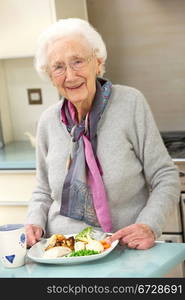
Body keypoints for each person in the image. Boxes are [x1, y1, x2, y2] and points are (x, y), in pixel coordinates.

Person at [25, 18, 180, 250]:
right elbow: (43, 190)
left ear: (98, 62)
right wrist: (34, 222)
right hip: (61, 251)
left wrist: (148, 225)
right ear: (50, 76)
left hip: (122, 246)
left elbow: (165, 176)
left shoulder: (130, 103)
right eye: (58, 67)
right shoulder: (48, 121)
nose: (69, 75)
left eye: (77, 61)